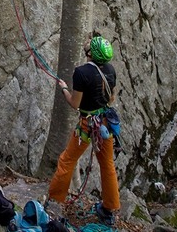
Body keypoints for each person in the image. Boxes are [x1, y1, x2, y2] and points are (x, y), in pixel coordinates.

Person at [48, 36, 120, 226]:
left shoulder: (81, 72)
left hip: (87, 125)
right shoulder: (111, 69)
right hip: (105, 123)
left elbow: (75, 103)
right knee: (107, 165)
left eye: (90, 44)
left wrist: (64, 89)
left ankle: (54, 202)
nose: (88, 42)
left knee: (67, 160)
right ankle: (109, 210)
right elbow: (111, 98)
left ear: (90, 54)